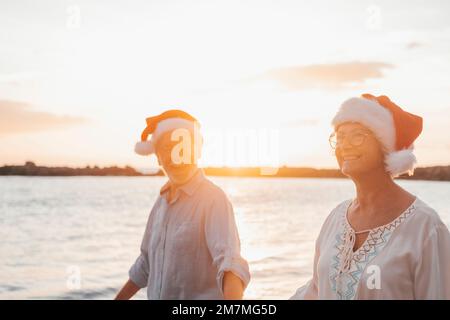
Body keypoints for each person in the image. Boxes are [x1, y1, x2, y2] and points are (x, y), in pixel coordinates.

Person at [291, 94, 450, 299]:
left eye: (357, 135)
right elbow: (315, 290)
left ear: (385, 145)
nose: (344, 145)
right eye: (339, 136)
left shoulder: (426, 228)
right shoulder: (336, 219)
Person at [115, 110, 250, 300]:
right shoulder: (160, 204)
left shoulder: (213, 199)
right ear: (158, 157)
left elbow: (230, 265)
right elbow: (145, 265)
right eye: (168, 147)